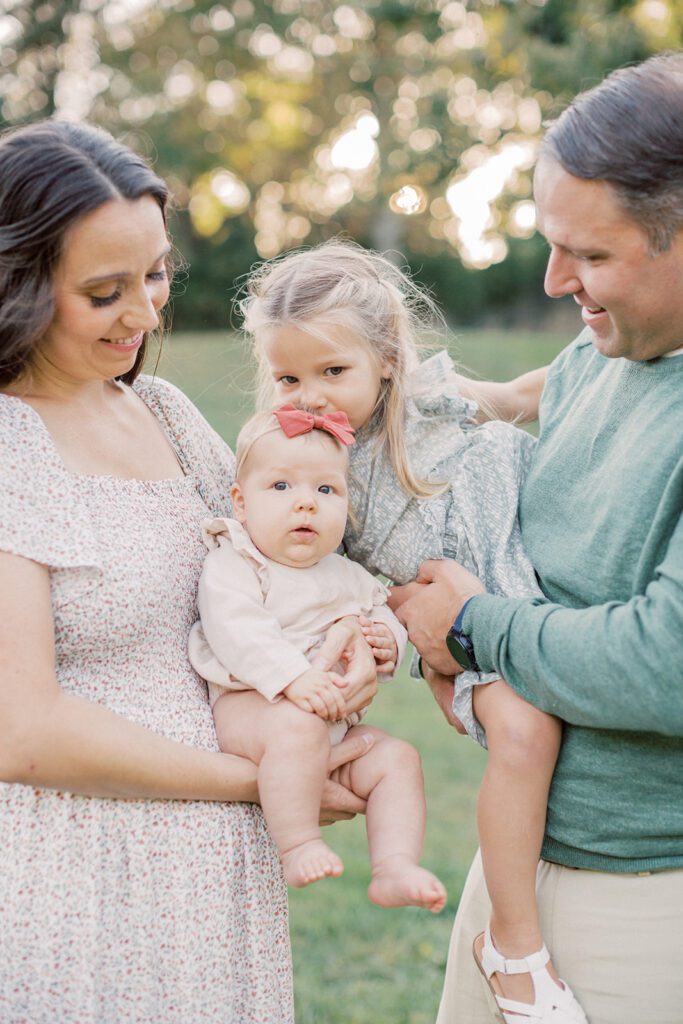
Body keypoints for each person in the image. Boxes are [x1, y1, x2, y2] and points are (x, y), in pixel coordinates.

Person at [0, 120, 379, 1024]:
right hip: (79, 870)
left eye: (156, 274)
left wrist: (354, 645)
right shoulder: (10, 444)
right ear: (17, 287)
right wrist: (271, 783)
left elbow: (277, 560)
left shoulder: (163, 412)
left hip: (213, 876)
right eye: (104, 292)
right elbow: (22, 730)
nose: (146, 314)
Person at [389, 51, 683, 1024]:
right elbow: (541, 390)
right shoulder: (613, 345)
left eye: (590, 257)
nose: (557, 280)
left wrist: (471, 623)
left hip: (641, 898)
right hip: (517, 868)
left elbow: (664, 661)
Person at [240, 240, 587, 1022]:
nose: (313, 395)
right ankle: (512, 943)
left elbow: (523, 391)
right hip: (456, 628)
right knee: (526, 735)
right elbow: (299, 562)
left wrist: (594, 376)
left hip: (539, 580)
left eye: (333, 372)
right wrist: (370, 641)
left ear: (389, 356)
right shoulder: (308, 459)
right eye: (290, 377)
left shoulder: (431, 397)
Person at [188, 404, 448, 911]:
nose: (305, 503)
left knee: (397, 758)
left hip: (332, 726)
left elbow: (383, 610)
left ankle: (394, 864)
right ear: (241, 503)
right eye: (281, 487)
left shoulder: (344, 573)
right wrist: (292, 679)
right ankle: (299, 843)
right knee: (298, 728)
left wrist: (386, 641)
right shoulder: (237, 561)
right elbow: (237, 629)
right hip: (253, 710)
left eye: (325, 490)